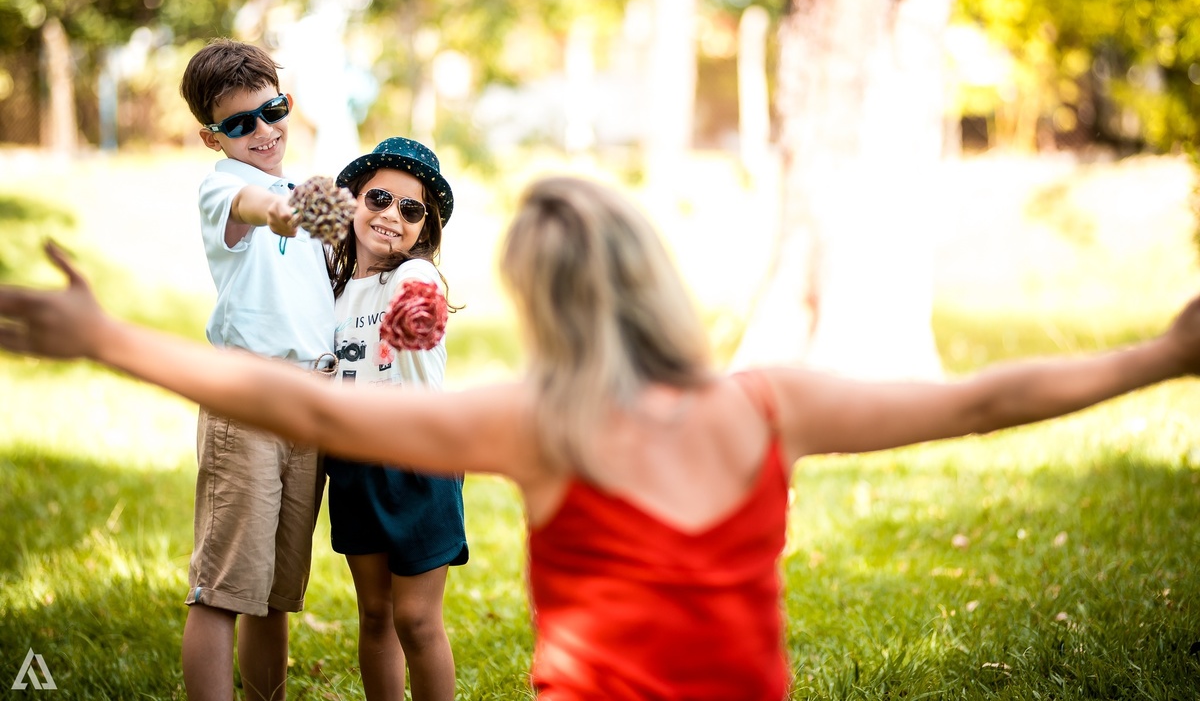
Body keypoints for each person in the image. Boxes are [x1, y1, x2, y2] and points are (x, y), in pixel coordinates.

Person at [3, 175, 1200, 701]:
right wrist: (1163, 356)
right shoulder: (770, 406)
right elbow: (988, 400)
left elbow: (310, 408)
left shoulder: (539, 426)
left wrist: (107, 340)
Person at [177, 38, 335, 701]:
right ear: (213, 137)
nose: (264, 132)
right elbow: (257, 208)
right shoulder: (226, 187)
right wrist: (291, 207)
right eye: (241, 124)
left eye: (273, 110)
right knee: (224, 588)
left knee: (274, 595)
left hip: (312, 405)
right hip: (248, 404)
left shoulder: (300, 189)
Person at [325, 136, 468, 700]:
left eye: (411, 210)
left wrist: (414, 311)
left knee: (416, 619)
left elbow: (420, 321)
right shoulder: (331, 291)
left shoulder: (419, 279)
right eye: (380, 199)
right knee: (375, 615)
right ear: (354, 201)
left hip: (419, 462)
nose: (391, 216)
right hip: (355, 467)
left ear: (424, 229)